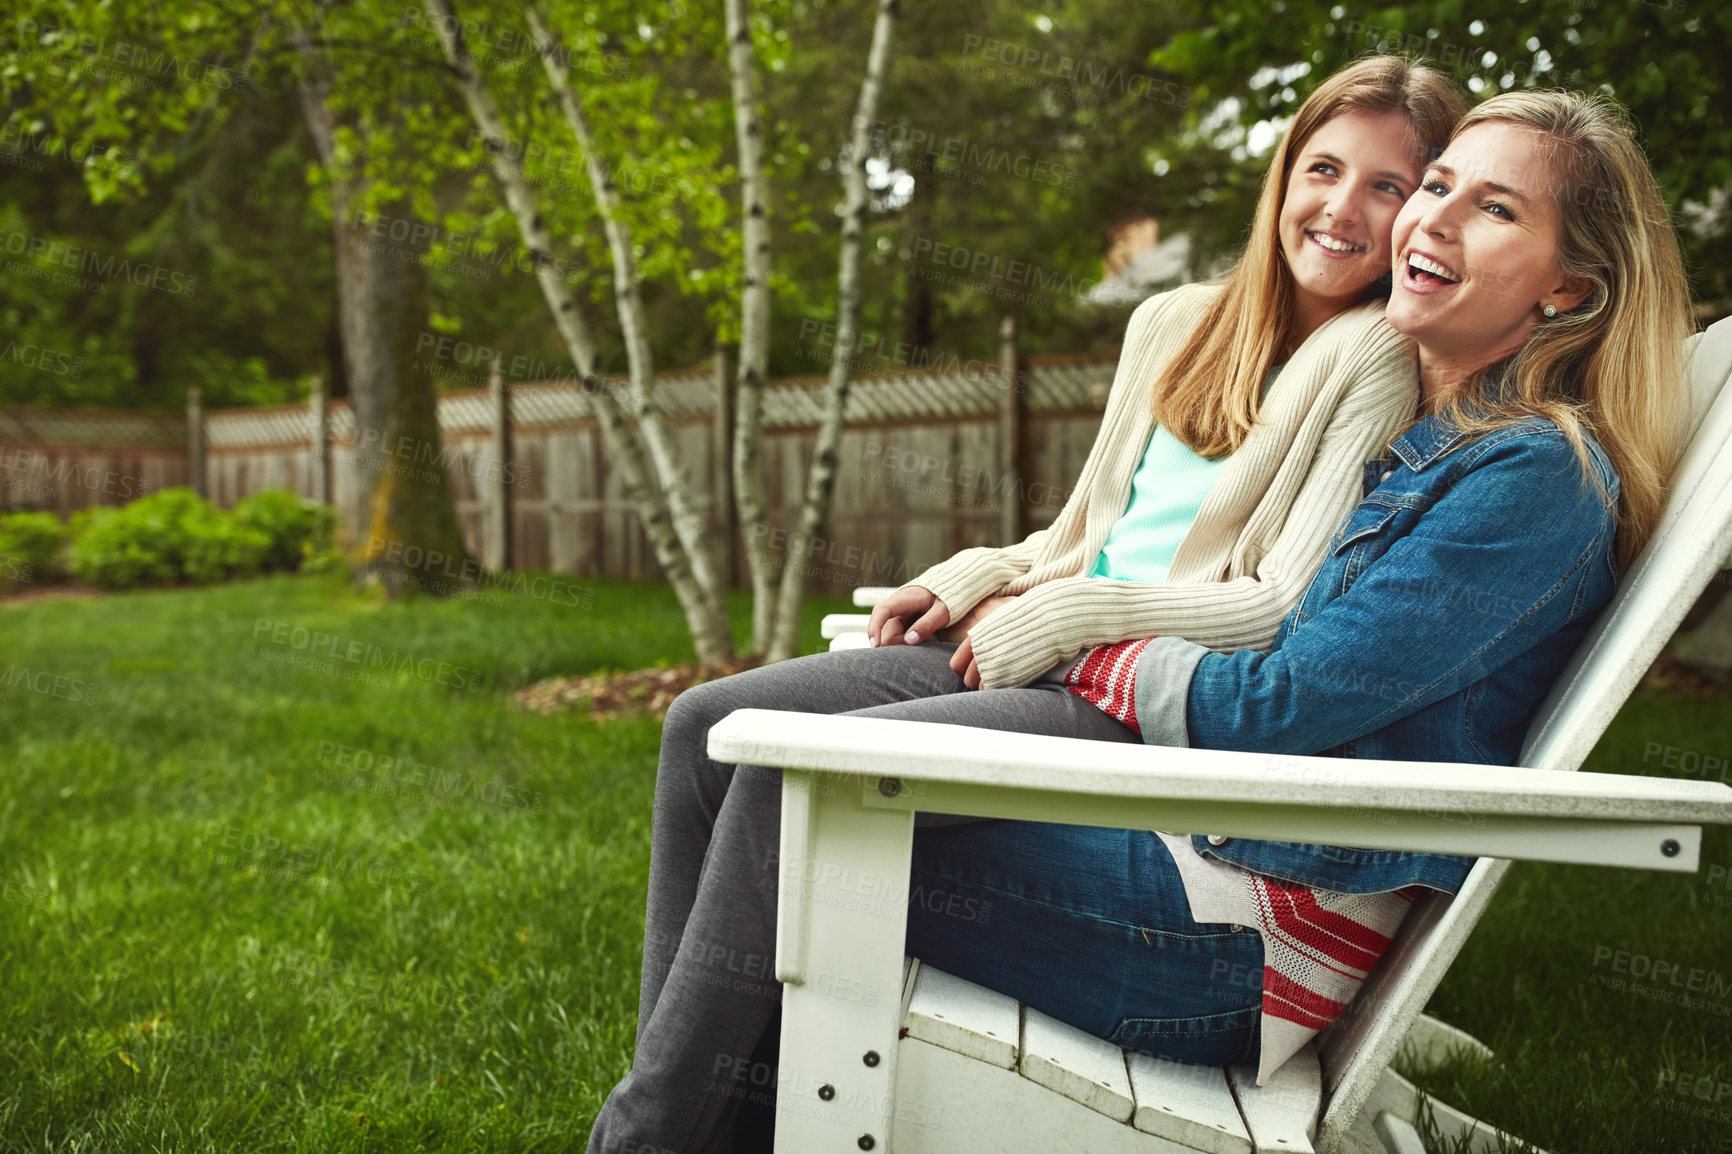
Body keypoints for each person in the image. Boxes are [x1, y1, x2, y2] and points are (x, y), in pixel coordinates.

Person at [587, 55, 1466, 1153]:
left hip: (1125, 699)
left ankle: (648, 1136)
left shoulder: (1372, 353)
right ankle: (716, 1112)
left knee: (783, 782)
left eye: (1387, 186)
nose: (1341, 208)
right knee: (703, 728)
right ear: (1283, 171)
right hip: (1038, 637)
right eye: (1323, 167)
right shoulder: (1173, 320)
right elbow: (1077, 536)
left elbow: (1274, 601)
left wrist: (1071, 621)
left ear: (1421, 210)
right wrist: (969, 575)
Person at [942, 87, 1691, 1084]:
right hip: (1201, 851)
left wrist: (1061, 632)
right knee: (790, 792)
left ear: (1567, 288)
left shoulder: (1533, 477)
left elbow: (1276, 702)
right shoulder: (1429, 443)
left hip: (1244, 938)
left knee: (797, 816)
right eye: (1438, 185)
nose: (1432, 217)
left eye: (1496, 208)